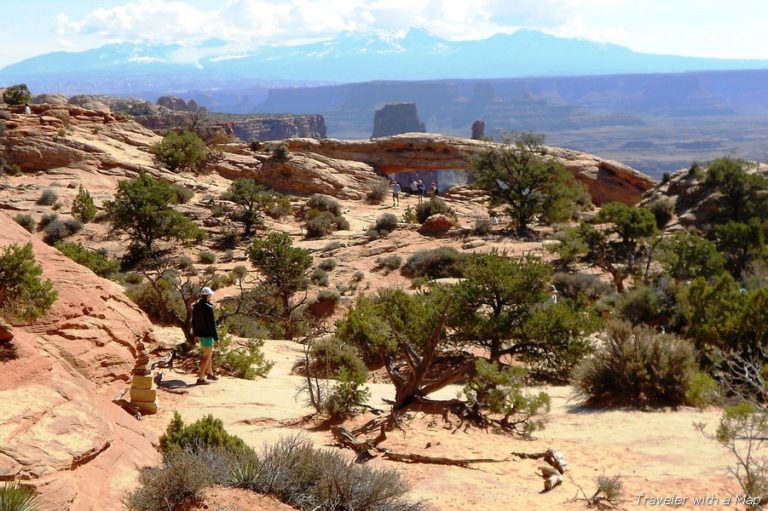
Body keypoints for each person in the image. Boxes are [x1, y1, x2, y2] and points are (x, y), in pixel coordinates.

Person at [192, 286, 219, 385]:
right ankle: (201, 379)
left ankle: (210, 373)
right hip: (207, 335)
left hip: (200, 335)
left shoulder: (196, 306)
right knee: (206, 356)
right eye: (210, 294)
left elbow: (193, 321)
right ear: (207, 295)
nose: (211, 296)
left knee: (208, 354)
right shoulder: (209, 307)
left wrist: (195, 335)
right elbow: (212, 324)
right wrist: (216, 338)